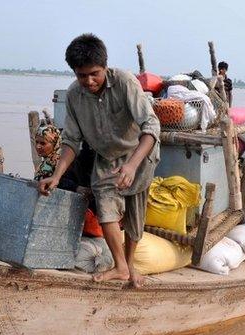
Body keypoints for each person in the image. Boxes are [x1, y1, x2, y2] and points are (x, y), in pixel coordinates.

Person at [38, 33, 160, 288]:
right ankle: (121, 268)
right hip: (106, 158)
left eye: (94, 73)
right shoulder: (74, 95)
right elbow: (71, 140)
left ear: (105, 66)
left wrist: (132, 165)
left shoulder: (125, 82)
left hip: (139, 152)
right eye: (82, 75)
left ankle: (131, 264)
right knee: (106, 209)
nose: (89, 81)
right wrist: (57, 175)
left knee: (135, 217)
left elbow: (151, 127)